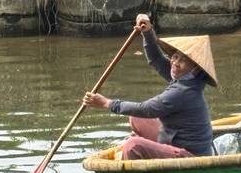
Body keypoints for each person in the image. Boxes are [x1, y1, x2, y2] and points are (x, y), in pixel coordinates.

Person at [83, 14, 218, 160]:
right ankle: (144, 153)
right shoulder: (185, 77)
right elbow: (156, 60)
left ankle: (135, 160)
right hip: (173, 141)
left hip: (190, 156)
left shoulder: (184, 91)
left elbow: (145, 109)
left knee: (133, 145)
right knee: (137, 118)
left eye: (183, 61)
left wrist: (106, 103)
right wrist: (147, 33)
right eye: (175, 56)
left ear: (195, 69)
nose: (175, 62)